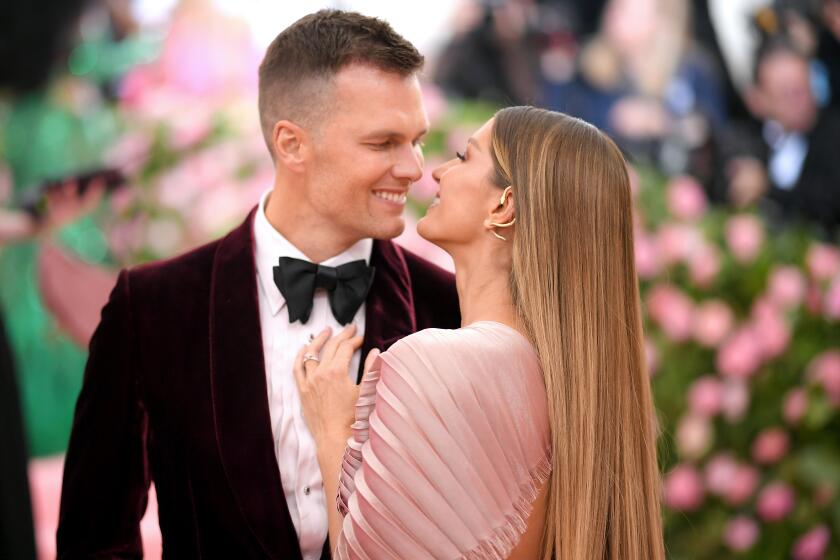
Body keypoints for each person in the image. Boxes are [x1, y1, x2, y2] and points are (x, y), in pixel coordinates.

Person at [57, 10, 459, 559]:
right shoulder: (152, 308)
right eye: (383, 142)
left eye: (416, 140)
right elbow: (94, 537)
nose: (415, 167)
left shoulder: (450, 308)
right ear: (291, 144)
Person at [295, 106, 665, 559]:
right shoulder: (577, 391)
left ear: (503, 204)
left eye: (462, 156)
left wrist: (333, 430)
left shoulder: (434, 364)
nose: (438, 172)